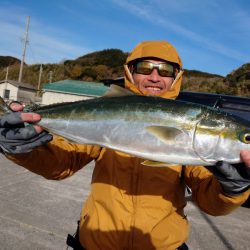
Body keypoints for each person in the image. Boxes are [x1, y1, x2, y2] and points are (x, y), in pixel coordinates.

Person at [0, 40, 250, 250]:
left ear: (176, 78)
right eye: (145, 68)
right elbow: (62, 163)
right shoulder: (108, 108)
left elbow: (211, 203)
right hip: (96, 242)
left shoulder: (196, 144)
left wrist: (233, 190)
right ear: (130, 72)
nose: (155, 77)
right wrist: (25, 150)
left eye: (165, 71)